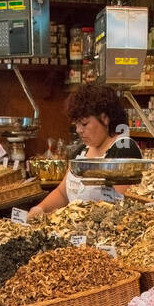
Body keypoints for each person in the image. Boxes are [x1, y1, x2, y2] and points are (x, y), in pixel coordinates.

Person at [30, 84, 141, 216]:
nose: (78, 130)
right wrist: (40, 208)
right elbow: (62, 193)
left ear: (105, 118)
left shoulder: (123, 149)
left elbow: (120, 206)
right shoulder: (81, 151)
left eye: (84, 124)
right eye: (76, 124)